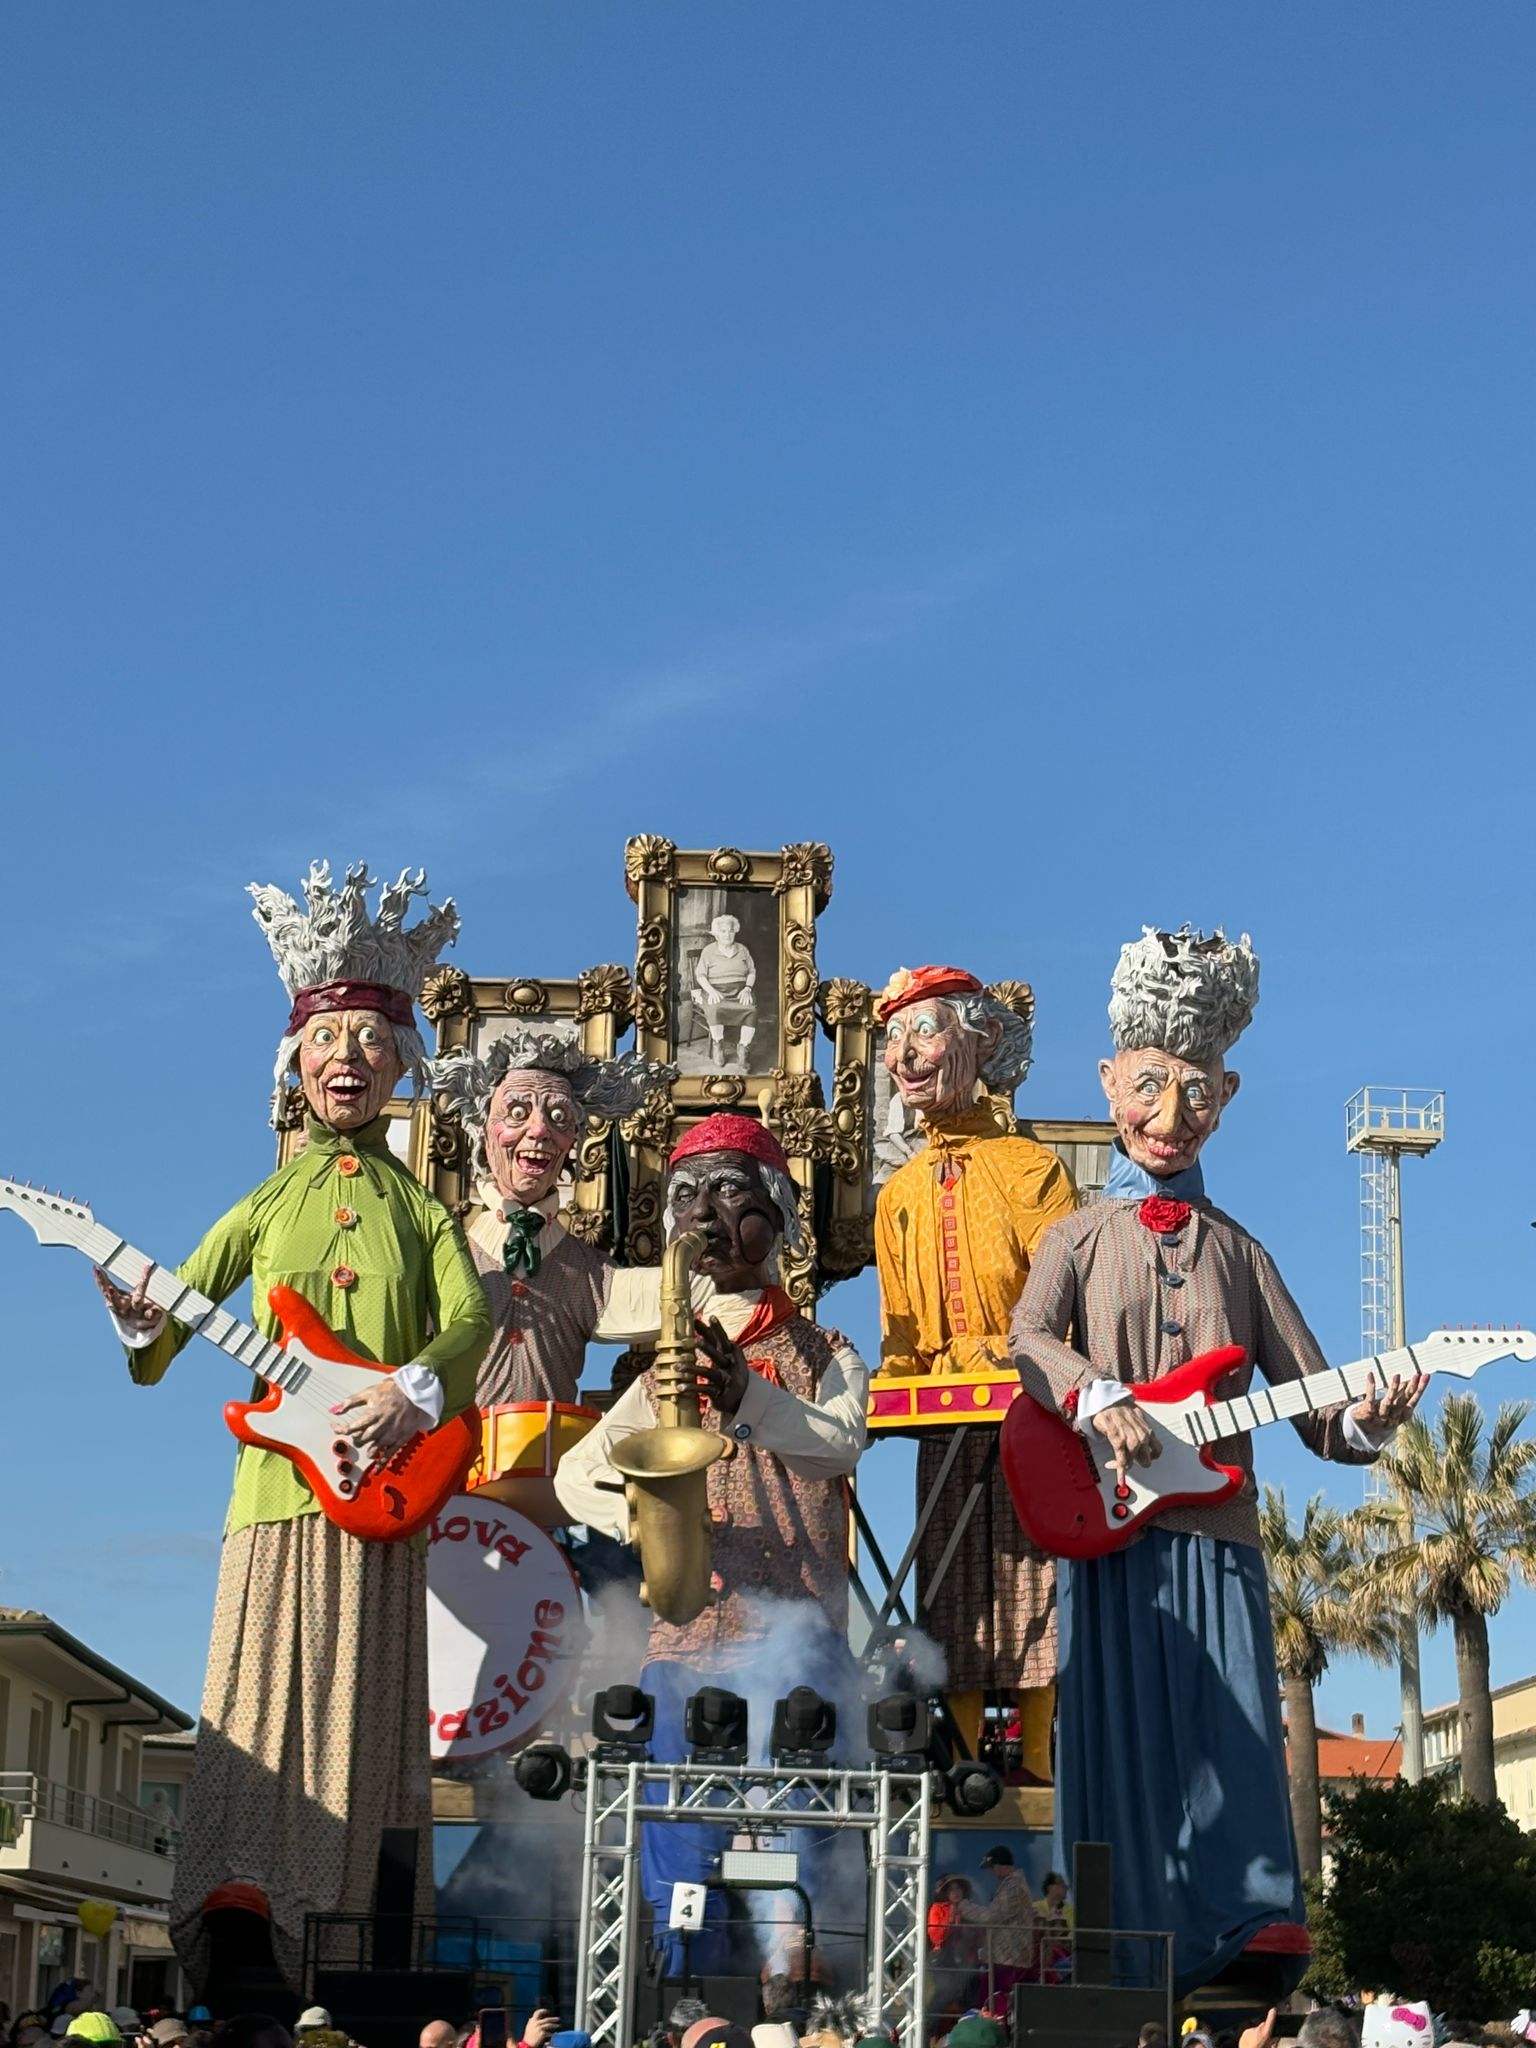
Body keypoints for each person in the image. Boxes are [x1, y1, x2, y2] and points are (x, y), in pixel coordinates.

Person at [93, 862, 493, 1990]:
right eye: (330, 1043)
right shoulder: (262, 1201)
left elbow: (471, 1325)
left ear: (400, 1064)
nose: (348, 1062)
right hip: (269, 1502)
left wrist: (409, 1388)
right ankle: (235, 1929)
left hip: (377, 1504)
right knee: (252, 1708)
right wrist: (135, 1318)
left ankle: (336, 1948)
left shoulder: (423, 1212)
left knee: (360, 1731)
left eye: (372, 1042)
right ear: (296, 1062)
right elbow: (167, 1326)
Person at [1011, 926, 1425, 1997]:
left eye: (1196, 1090)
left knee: (1238, 1728)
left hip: (1218, 1534)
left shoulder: (1245, 1252)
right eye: (1149, 1083)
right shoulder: (1075, 1235)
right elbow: (1029, 1343)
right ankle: (1119, 1937)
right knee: (1118, 1736)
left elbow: (1321, 1413)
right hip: (1106, 1529)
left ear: (1228, 1093)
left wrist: (1373, 1419)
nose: (1169, 1110)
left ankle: (1245, 1918)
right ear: (1110, 1080)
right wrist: (1097, 1394)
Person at [556, 1113, 868, 1976]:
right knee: (675, 1833)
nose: (708, 1214)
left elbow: (840, 1444)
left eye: (732, 1190)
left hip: (798, 1634)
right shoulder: (666, 1357)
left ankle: (796, 1982)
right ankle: (682, 1982)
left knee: (808, 1823)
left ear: (777, 1214)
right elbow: (574, 1476)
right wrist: (652, 1525)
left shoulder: (827, 1350)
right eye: (688, 1195)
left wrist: (752, 1399)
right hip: (686, 1638)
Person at [872, 966, 1076, 1784]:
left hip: (1026, 1412)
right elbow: (900, 1333)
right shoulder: (900, 1195)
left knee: (1032, 1581)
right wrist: (895, 1376)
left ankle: (1035, 1758)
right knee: (952, 1586)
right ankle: (959, 1753)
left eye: (923, 1032)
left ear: (981, 1042)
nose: (903, 1055)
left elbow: (1066, 1306)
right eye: (892, 1040)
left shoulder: (1034, 1171)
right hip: (942, 1413)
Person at [425, 1032, 687, 1517]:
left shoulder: (588, 1274)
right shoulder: (441, 1254)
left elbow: (683, 1291)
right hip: (447, 1489)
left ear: (575, 1141)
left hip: (547, 1504)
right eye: (518, 1113)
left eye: (560, 1118)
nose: (540, 1131)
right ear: (484, 1128)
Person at [961, 1846, 1036, 2004]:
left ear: (1000, 1866)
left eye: (992, 1868)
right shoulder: (1013, 1884)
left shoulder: (1013, 1887)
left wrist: (963, 1907)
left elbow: (991, 1916)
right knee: (992, 2002)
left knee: (995, 2004)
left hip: (1008, 1959)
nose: (992, 1873)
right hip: (1005, 1958)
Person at [693, 915, 757, 1071]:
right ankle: (718, 1044)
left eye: (730, 931)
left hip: (740, 990)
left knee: (752, 1009)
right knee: (715, 1007)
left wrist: (747, 988)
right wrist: (711, 991)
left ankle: (743, 1047)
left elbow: (751, 972)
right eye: (723, 931)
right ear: (716, 934)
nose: (727, 934)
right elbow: (700, 975)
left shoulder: (743, 949)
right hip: (715, 989)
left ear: (735, 932)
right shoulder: (708, 951)